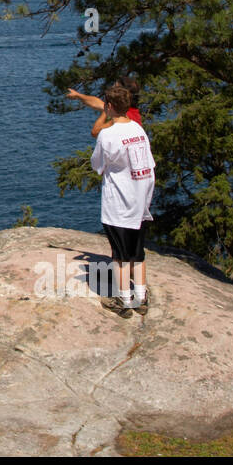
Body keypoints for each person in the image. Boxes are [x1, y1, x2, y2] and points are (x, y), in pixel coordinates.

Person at [89, 83, 156, 318]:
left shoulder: (108, 135)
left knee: (119, 255)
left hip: (118, 203)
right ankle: (141, 296)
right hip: (140, 203)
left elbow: (97, 165)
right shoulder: (139, 131)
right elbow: (150, 166)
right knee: (138, 253)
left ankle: (123, 299)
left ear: (108, 106)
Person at [67, 76, 141, 137]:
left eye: (115, 89)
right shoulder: (128, 111)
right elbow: (96, 102)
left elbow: (95, 132)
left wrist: (107, 108)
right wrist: (78, 95)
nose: (111, 89)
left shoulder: (123, 118)